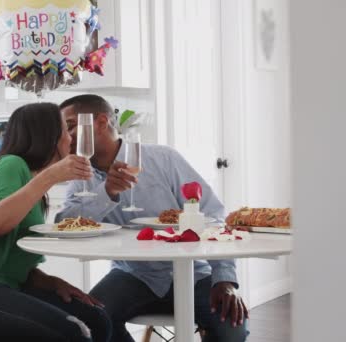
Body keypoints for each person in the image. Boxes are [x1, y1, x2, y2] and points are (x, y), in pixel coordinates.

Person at [56, 94, 249, 342]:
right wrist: (107, 193)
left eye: (71, 126)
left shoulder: (163, 159)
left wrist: (224, 279)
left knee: (232, 329)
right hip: (134, 274)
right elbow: (65, 223)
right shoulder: (80, 175)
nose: (66, 137)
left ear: (101, 122)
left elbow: (212, 214)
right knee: (90, 322)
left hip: (195, 273)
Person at [0, 102, 112, 342]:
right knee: (73, 333)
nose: (70, 138)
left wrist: (51, 282)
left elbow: (6, 257)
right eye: (65, 131)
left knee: (97, 320)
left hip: (4, 284)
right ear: (48, 137)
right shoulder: (12, 164)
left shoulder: (30, 180)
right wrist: (51, 175)